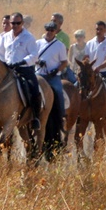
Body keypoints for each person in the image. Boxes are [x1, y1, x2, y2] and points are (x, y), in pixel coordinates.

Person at [0, 11, 42, 129]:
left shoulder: (29, 37)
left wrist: (22, 62)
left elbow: (34, 55)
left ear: (22, 23)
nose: (15, 25)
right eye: (13, 23)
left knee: (34, 88)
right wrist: (1, 62)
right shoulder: (5, 37)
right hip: (8, 69)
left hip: (24, 69)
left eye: (18, 23)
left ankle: (35, 117)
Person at [36, 21, 68, 149]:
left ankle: (61, 114)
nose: (49, 32)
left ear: (55, 32)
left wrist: (56, 70)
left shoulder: (60, 45)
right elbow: (32, 57)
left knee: (58, 91)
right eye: (47, 30)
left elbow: (64, 62)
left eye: (52, 30)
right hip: (39, 74)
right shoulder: (38, 43)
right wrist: (38, 62)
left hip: (53, 76)